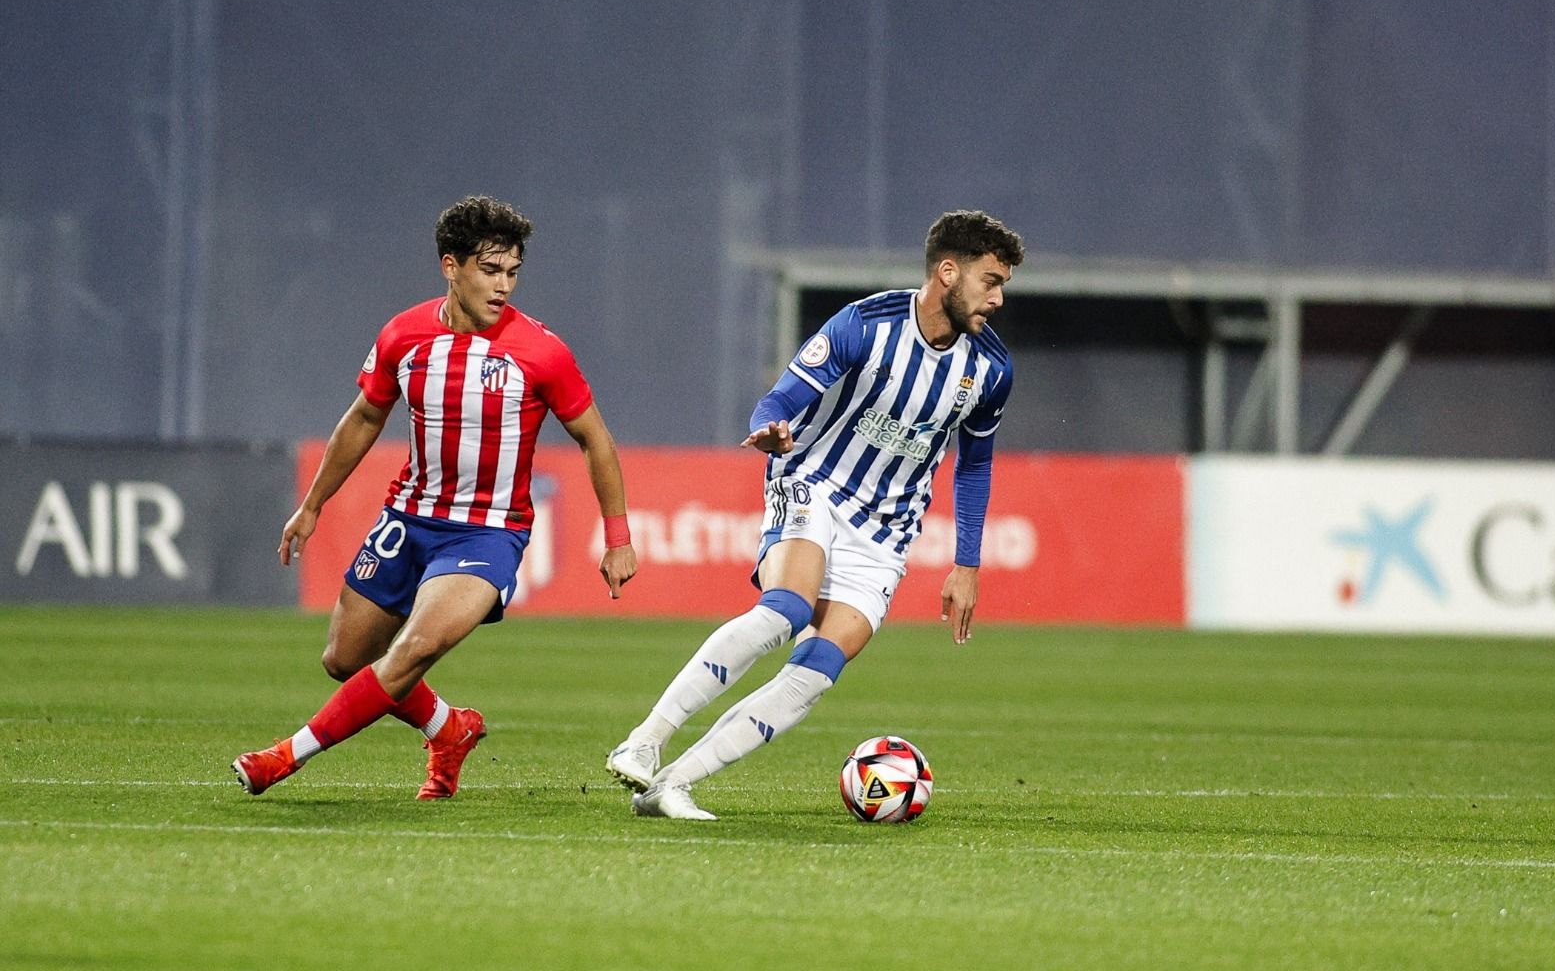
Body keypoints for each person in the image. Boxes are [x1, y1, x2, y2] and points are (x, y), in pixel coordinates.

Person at [606, 209, 1023, 819]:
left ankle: (670, 785)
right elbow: (778, 401)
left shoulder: (991, 369)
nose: (999, 298)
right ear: (948, 272)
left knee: (819, 667)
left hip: (885, 534)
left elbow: (975, 466)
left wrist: (967, 564)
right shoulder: (866, 324)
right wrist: (768, 432)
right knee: (786, 611)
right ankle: (644, 740)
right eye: (990, 281)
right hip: (816, 484)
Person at [233, 195, 637, 799]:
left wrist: (618, 538)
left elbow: (596, 442)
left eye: (513, 272)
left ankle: (285, 757)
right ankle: (449, 730)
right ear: (451, 267)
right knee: (345, 659)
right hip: (410, 516)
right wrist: (313, 503)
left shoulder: (542, 352)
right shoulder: (405, 334)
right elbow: (365, 417)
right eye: (489, 270)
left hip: (487, 533)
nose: (504, 286)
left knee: (414, 647)